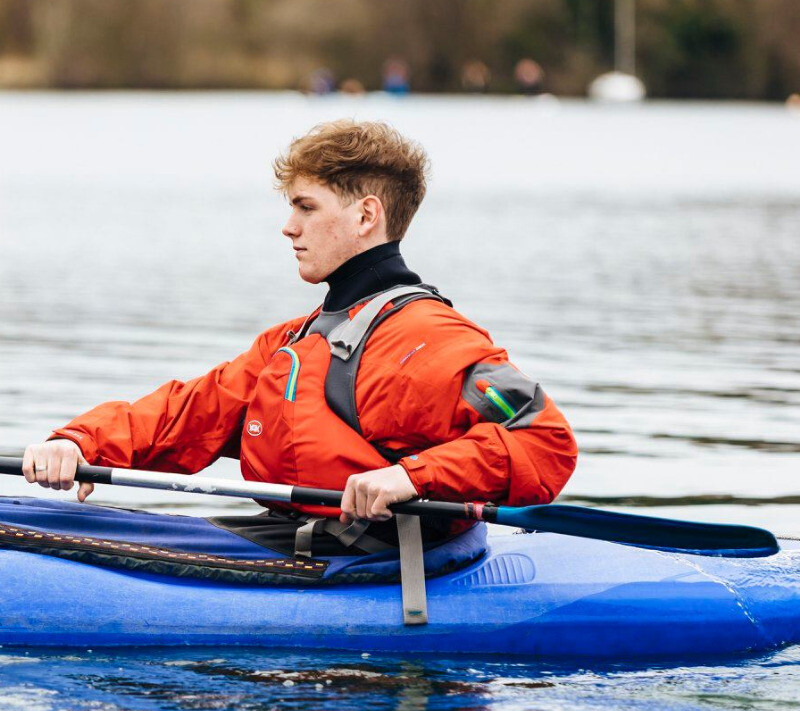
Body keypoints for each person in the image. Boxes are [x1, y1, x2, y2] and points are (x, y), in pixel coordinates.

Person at [23, 120, 577, 543]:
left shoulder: (431, 340)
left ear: (365, 216)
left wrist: (412, 478)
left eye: (306, 207)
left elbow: (544, 440)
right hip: (304, 542)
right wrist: (78, 442)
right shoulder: (293, 340)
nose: (288, 226)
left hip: (373, 560)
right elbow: (186, 414)